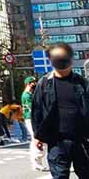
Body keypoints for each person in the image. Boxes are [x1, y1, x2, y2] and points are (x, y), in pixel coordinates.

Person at [32, 42, 89, 178]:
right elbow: (37, 110)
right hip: (56, 141)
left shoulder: (82, 83)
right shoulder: (44, 84)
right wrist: (37, 136)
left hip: (81, 140)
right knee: (59, 176)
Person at [23, 75, 49, 171]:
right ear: (28, 84)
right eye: (33, 83)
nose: (35, 84)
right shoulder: (27, 95)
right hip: (31, 119)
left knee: (38, 139)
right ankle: (36, 162)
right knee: (38, 138)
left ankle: (37, 161)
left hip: (33, 119)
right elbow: (33, 109)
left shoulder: (31, 94)